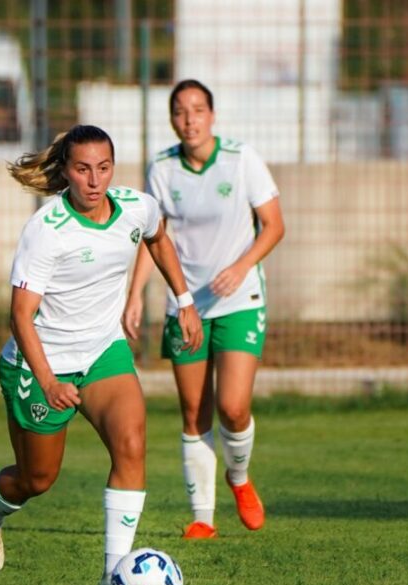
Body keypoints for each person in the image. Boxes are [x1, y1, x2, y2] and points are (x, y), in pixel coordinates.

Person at [0, 124, 203, 585]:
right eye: (82, 169)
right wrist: (48, 380)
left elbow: (157, 238)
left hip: (102, 351)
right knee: (37, 479)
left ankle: (113, 576)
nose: (94, 180)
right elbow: (20, 315)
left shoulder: (135, 207)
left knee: (132, 445)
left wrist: (185, 298)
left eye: (103, 167)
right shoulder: (46, 232)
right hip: (40, 363)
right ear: (66, 172)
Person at [122, 79, 286, 540]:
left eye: (198, 109)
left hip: (239, 299)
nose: (189, 119)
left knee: (234, 408)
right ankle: (203, 518)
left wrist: (240, 266)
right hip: (186, 306)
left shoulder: (241, 159)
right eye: (180, 111)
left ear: (212, 115)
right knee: (195, 413)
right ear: (172, 119)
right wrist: (135, 294)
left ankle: (239, 478)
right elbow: (155, 238)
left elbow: (274, 226)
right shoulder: (161, 168)